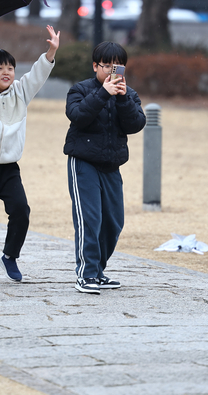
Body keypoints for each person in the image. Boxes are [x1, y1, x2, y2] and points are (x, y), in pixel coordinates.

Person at [0, 19, 59, 285]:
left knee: (21, 211)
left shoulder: (20, 93)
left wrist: (50, 52)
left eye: (11, 68)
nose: (7, 72)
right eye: (0, 67)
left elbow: (37, 75)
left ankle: (9, 255)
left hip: (8, 168)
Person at [64, 42, 146, 295]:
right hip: (84, 162)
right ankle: (85, 275)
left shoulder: (128, 94)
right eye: (106, 65)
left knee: (113, 222)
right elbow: (77, 116)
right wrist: (103, 93)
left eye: (117, 65)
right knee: (90, 220)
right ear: (95, 66)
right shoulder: (79, 90)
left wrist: (120, 98)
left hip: (112, 166)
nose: (112, 70)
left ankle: (98, 271)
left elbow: (136, 124)